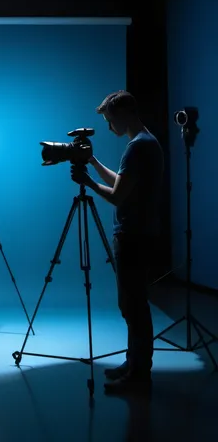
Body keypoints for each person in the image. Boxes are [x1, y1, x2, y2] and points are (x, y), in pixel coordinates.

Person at [70, 90, 164, 394]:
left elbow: (116, 195)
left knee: (133, 306)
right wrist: (94, 162)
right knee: (132, 304)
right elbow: (121, 183)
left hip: (133, 235)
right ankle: (133, 363)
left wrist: (87, 182)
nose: (110, 127)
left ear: (124, 114)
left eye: (111, 121)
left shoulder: (137, 148)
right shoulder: (146, 143)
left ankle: (139, 375)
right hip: (140, 233)